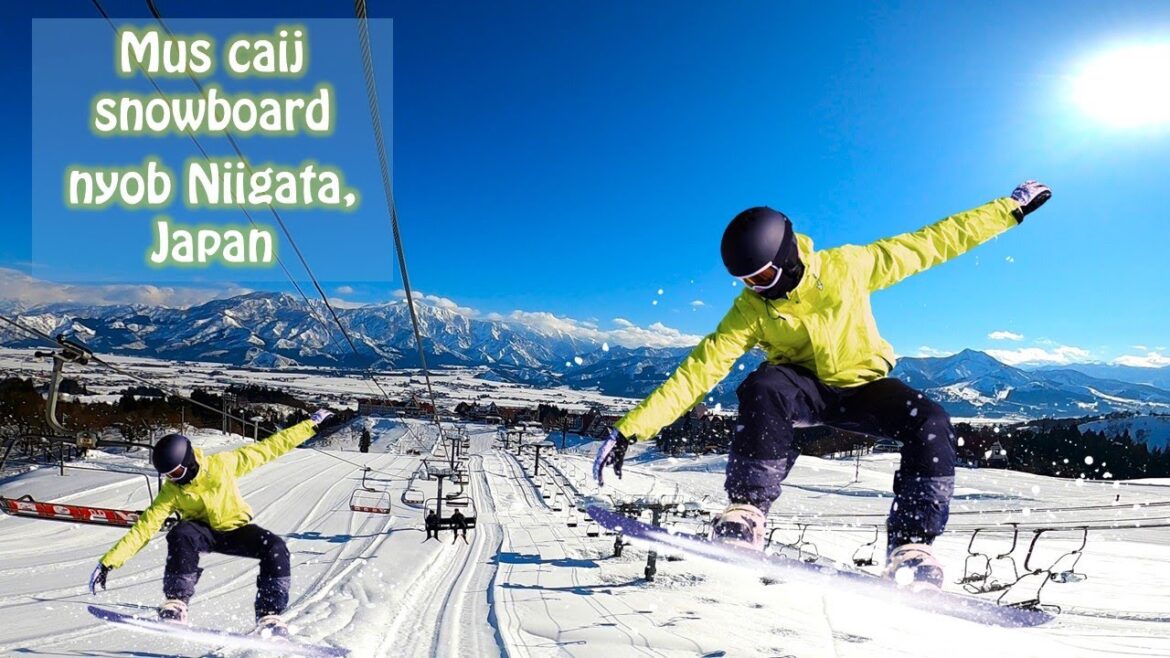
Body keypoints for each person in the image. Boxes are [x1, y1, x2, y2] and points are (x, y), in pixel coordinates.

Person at [593, 182, 1052, 589]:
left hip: (865, 386)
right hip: (802, 389)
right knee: (762, 385)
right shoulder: (751, 309)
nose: (757, 289)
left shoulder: (849, 266)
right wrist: (630, 428)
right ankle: (746, 512)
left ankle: (912, 547)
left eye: (764, 277)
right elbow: (701, 368)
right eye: (746, 282)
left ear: (788, 255)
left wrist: (1006, 210)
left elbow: (933, 242)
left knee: (931, 421)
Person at [88, 409, 335, 636]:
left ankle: (269, 617)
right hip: (200, 533)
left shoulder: (223, 465)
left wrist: (310, 425)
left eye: (176, 473)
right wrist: (109, 562)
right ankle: (176, 603)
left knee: (276, 547)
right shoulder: (172, 491)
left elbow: (271, 447)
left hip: (235, 530)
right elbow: (145, 527)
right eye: (168, 475)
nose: (174, 480)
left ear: (188, 462)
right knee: (180, 532)